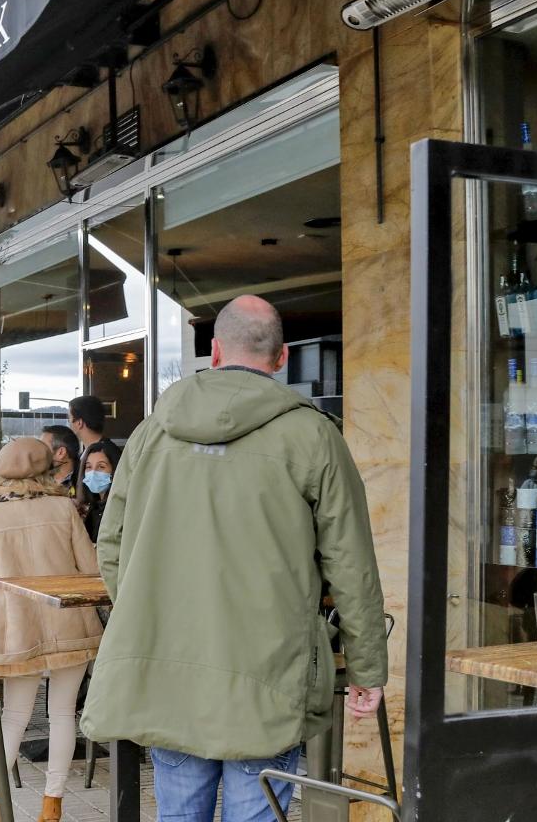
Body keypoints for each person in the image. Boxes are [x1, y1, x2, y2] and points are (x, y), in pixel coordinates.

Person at [80, 296, 388, 822]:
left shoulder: (153, 430)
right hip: (267, 671)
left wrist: (148, 613)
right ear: (282, 357)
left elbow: (111, 545)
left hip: (166, 665)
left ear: (215, 351)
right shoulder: (314, 434)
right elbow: (351, 564)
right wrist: (367, 667)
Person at [0, 438, 103, 822]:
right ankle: (51, 805)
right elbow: (90, 568)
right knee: (62, 714)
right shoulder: (63, 508)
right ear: (47, 471)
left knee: (14, 715)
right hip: (69, 621)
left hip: (14, 625)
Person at [76, 440, 120, 543]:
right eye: (89, 467)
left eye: (101, 467)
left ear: (115, 470)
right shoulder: (92, 507)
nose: (93, 472)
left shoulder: (119, 507)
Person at [40, 425, 80, 496]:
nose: (39, 452)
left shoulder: (85, 483)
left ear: (61, 452)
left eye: (44, 447)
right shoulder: (38, 480)